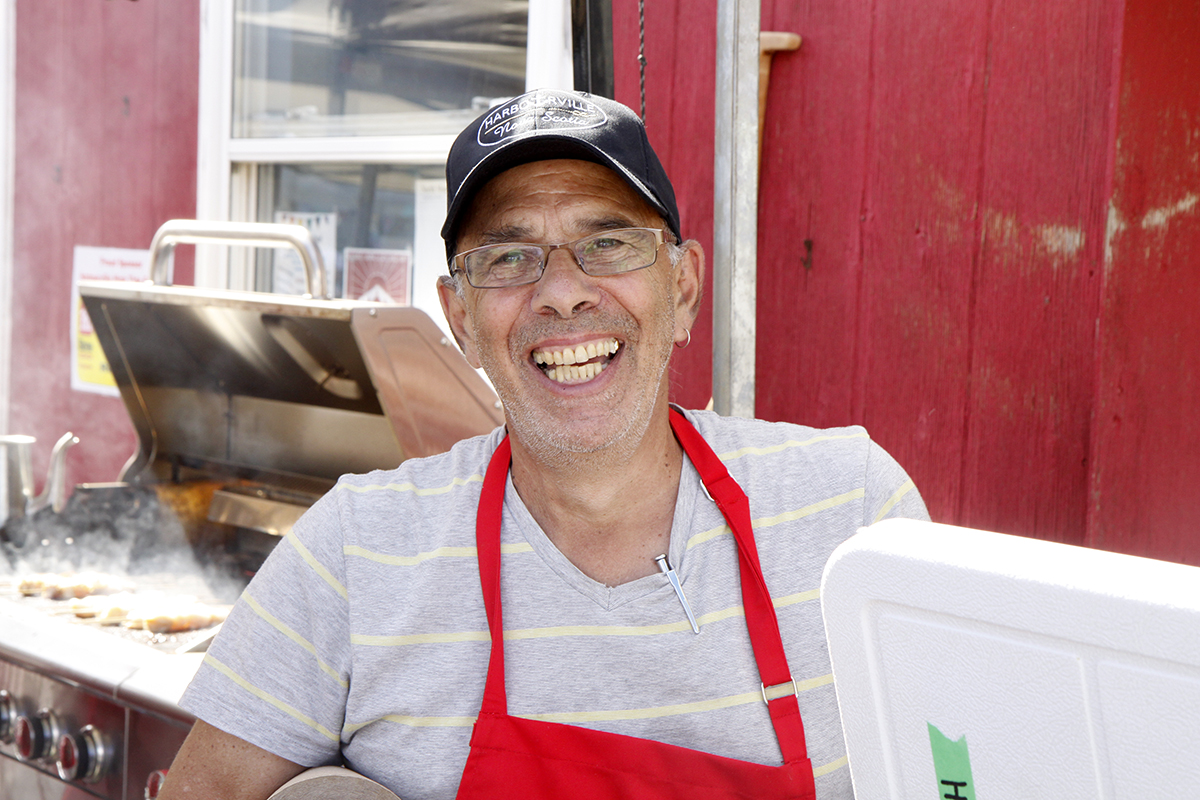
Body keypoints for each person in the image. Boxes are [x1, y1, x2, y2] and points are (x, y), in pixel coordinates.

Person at [159, 89, 929, 800]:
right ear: (460, 319)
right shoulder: (356, 554)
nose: (563, 292)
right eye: (509, 257)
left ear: (684, 288)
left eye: (609, 242)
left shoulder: (853, 514)